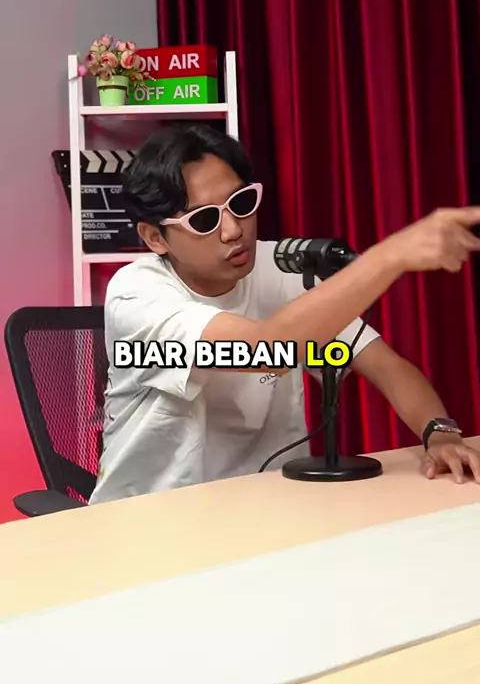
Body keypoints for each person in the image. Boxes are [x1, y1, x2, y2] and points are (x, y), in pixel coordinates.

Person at [88, 123, 480, 504]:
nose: (233, 230)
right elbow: (262, 351)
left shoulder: (280, 270)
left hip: (271, 504)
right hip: (151, 514)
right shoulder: (136, 296)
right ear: (155, 237)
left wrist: (440, 433)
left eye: (241, 204)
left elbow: (387, 367)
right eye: (204, 219)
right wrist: (391, 256)